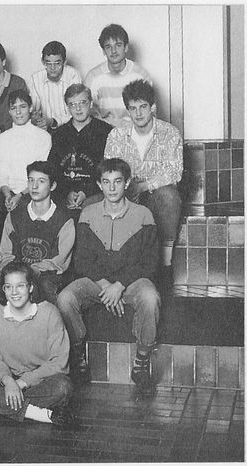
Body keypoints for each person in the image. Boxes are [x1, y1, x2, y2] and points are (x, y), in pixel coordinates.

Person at [56, 158, 160, 389]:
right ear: (99, 184)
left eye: (118, 181)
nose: (112, 188)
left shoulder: (144, 215)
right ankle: (77, 354)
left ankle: (142, 359)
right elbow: (82, 260)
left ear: (127, 183)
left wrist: (120, 286)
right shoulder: (88, 213)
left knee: (150, 297)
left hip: (131, 282)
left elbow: (150, 262)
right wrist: (106, 286)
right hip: (97, 282)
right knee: (65, 298)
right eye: (106, 182)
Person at [0, 260, 74, 426]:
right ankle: (38, 413)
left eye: (20, 286)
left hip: (39, 381)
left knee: (63, 387)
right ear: (3, 290)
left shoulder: (49, 313)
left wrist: (21, 384)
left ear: (31, 287)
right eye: (8, 287)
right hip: (5, 381)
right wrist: (8, 381)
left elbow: (59, 362)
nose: (14, 292)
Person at [104, 79, 182, 277]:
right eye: (133, 108)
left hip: (155, 193)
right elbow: (109, 169)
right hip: (126, 191)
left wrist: (144, 186)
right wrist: (127, 188)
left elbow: (174, 172)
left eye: (143, 107)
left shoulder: (170, 133)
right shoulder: (117, 135)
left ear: (152, 107)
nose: (138, 113)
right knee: (92, 204)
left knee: (169, 197)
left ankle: (165, 265)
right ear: (127, 110)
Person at [0, 161, 75, 304]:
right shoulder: (14, 215)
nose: (34, 186)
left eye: (41, 181)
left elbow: (58, 262)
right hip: (16, 276)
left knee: (43, 288)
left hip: (46, 278)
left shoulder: (64, 220)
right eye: (31, 180)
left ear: (52, 186)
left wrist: (31, 272)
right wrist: (15, 274)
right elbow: (6, 254)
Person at [47, 84, 113, 217]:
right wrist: (67, 193)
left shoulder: (105, 131)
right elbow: (53, 169)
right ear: (67, 107)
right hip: (65, 191)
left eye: (82, 102)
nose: (78, 108)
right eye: (72, 104)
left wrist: (85, 192)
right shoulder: (59, 133)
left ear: (91, 103)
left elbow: (108, 170)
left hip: (95, 191)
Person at [0, 90, 52, 212]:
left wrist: (20, 196)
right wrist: (7, 195)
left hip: (33, 193)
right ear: (9, 111)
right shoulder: (1, 139)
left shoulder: (43, 137)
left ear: (30, 108)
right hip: (8, 194)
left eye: (23, 107)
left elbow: (40, 174)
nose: (18, 112)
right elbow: (1, 174)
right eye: (13, 108)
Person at [84, 24, 152, 127]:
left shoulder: (140, 75)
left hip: (134, 129)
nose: (113, 51)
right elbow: (87, 112)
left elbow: (151, 112)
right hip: (103, 130)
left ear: (126, 47)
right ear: (103, 51)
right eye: (108, 47)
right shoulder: (93, 77)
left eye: (118, 45)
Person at [29, 41, 82, 132]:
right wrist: (36, 118)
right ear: (43, 62)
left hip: (71, 128)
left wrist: (53, 122)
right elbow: (34, 109)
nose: (52, 68)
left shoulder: (73, 75)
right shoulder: (35, 78)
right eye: (48, 63)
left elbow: (77, 110)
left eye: (57, 63)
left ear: (64, 62)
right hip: (45, 129)